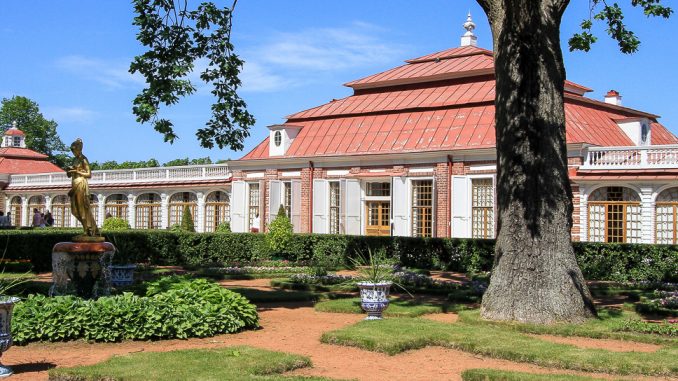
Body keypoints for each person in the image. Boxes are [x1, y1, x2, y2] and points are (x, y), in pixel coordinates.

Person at [66, 138, 99, 237]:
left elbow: (89, 174)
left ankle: (87, 231)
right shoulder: (75, 159)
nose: (73, 152)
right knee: (74, 210)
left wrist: (76, 171)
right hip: (74, 183)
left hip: (81, 184)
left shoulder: (83, 159)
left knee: (82, 209)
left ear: (78, 149)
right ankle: (89, 228)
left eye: (74, 150)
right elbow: (70, 175)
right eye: (72, 151)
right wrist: (69, 171)